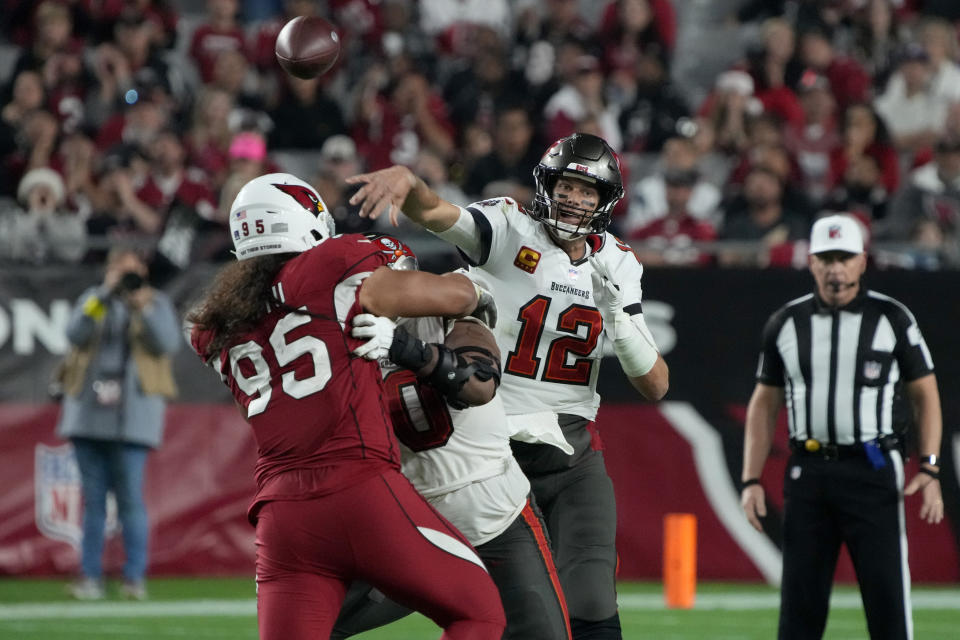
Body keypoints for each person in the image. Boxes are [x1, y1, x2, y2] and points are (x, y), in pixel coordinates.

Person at [347, 133, 670, 639]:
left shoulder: (620, 263)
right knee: (413, 580)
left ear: (605, 202)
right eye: (567, 186)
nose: (574, 200)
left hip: (570, 449)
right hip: (487, 443)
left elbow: (655, 385)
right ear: (547, 185)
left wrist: (621, 321)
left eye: (589, 193)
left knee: (591, 601)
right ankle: (315, 620)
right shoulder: (508, 228)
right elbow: (437, 213)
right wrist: (409, 185)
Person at [185, 173, 505, 640]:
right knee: (479, 613)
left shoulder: (214, 326)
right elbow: (448, 294)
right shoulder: (331, 264)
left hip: (282, 518)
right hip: (358, 488)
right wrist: (475, 292)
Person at [332, 234, 571, 640]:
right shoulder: (332, 341)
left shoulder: (449, 315)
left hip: (495, 512)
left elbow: (477, 384)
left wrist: (404, 347)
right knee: (315, 621)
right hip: (412, 520)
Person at [740, 213, 944, 640]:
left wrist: (929, 467)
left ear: (862, 261)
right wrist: (751, 478)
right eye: (827, 258)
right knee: (800, 606)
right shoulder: (786, 322)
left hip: (872, 469)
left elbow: (925, 393)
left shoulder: (892, 318)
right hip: (809, 473)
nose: (836, 268)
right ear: (811, 262)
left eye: (845, 257)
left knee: (888, 601)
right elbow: (764, 403)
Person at [56, 247, 180, 601]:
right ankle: (90, 577)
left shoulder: (155, 303)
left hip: (134, 418)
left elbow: (167, 342)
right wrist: (104, 293)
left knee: (130, 501)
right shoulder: (95, 301)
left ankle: (134, 578)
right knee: (92, 501)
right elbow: (76, 333)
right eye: (119, 271)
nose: (126, 278)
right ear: (108, 271)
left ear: (143, 272)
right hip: (87, 415)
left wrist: (141, 304)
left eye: (132, 272)